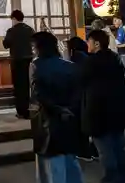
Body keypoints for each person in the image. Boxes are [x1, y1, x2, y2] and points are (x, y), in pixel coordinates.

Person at [30, 32, 83, 183]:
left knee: (51, 168)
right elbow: (78, 93)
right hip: (69, 120)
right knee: (70, 162)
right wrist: (68, 109)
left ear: (39, 47)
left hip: (47, 120)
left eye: (33, 47)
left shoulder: (36, 65)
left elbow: (38, 94)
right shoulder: (70, 66)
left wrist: (57, 109)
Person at [83, 29, 125, 183]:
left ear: (96, 44)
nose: (87, 44)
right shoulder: (115, 59)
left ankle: (111, 179)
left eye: (89, 41)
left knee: (105, 150)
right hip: (118, 109)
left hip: (100, 113)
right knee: (118, 147)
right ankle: (124, 177)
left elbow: (82, 83)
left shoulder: (91, 62)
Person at [67, 37, 99, 162]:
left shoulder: (75, 59)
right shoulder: (89, 58)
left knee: (80, 126)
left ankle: (84, 152)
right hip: (92, 96)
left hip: (79, 97)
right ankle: (95, 151)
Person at [3, 10, 35, 119]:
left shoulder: (11, 31)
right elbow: (34, 43)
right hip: (28, 60)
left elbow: (5, 44)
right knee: (26, 86)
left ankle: (20, 111)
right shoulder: (30, 30)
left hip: (16, 60)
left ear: (14, 19)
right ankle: (27, 110)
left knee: (18, 86)